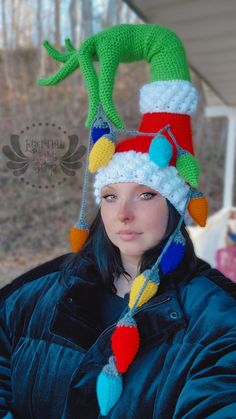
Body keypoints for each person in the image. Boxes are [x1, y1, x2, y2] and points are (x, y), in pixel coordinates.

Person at [0, 23, 236, 419]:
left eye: (146, 194)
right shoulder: (40, 294)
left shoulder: (214, 316)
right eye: (110, 197)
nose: (123, 213)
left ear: (175, 206)